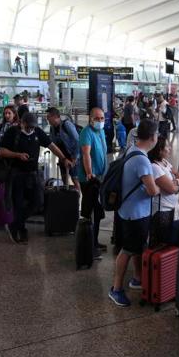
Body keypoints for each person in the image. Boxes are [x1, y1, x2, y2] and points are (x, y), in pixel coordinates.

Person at [108, 119, 160, 307]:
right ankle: (116, 289)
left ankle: (137, 278)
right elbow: (153, 190)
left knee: (137, 246)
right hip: (135, 214)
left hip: (127, 209)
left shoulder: (132, 149)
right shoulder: (142, 160)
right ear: (153, 137)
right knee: (128, 250)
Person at [0, 112, 69, 244]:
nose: (30, 129)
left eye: (32, 127)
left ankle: (15, 223)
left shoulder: (37, 132)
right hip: (16, 175)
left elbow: (51, 146)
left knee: (38, 201)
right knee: (18, 204)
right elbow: (0, 151)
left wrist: (63, 158)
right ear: (21, 123)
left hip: (33, 174)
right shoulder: (13, 132)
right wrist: (17, 155)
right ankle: (19, 229)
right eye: (28, 126)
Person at [78, 108, 108, 257]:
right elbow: (86, 155)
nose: (100, 121)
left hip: (100, 178)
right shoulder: (86, 133)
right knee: (92, 210)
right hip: (89, 179)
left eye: (102, 118)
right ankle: (89, 244)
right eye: (97, 118)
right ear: (90, 119)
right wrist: (89, 173)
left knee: (97, 211)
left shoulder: (101, 132)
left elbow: (103, 152)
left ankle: (93, 241)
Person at [148, 136, 179, 247]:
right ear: (159, 150)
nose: (170, 149)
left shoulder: (165, 162)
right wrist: (177, 184)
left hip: (171, 209)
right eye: (167, 146)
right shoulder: (155, 167)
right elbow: (172, 189)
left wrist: (175, 181)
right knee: (160, 243)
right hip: (161, 211)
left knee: (168, 241)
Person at [47, 107, 80, 192]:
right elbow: (53, 143)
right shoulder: (52, 128)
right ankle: (67, 197)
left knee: (75, 178)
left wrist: (75, 157)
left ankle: (78, 198)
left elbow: (77, 140)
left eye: (49, 116)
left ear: (55, 117)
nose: (47, 119)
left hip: (72, 156)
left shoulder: (66, 124)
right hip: (62, 157)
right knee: (64, 178)